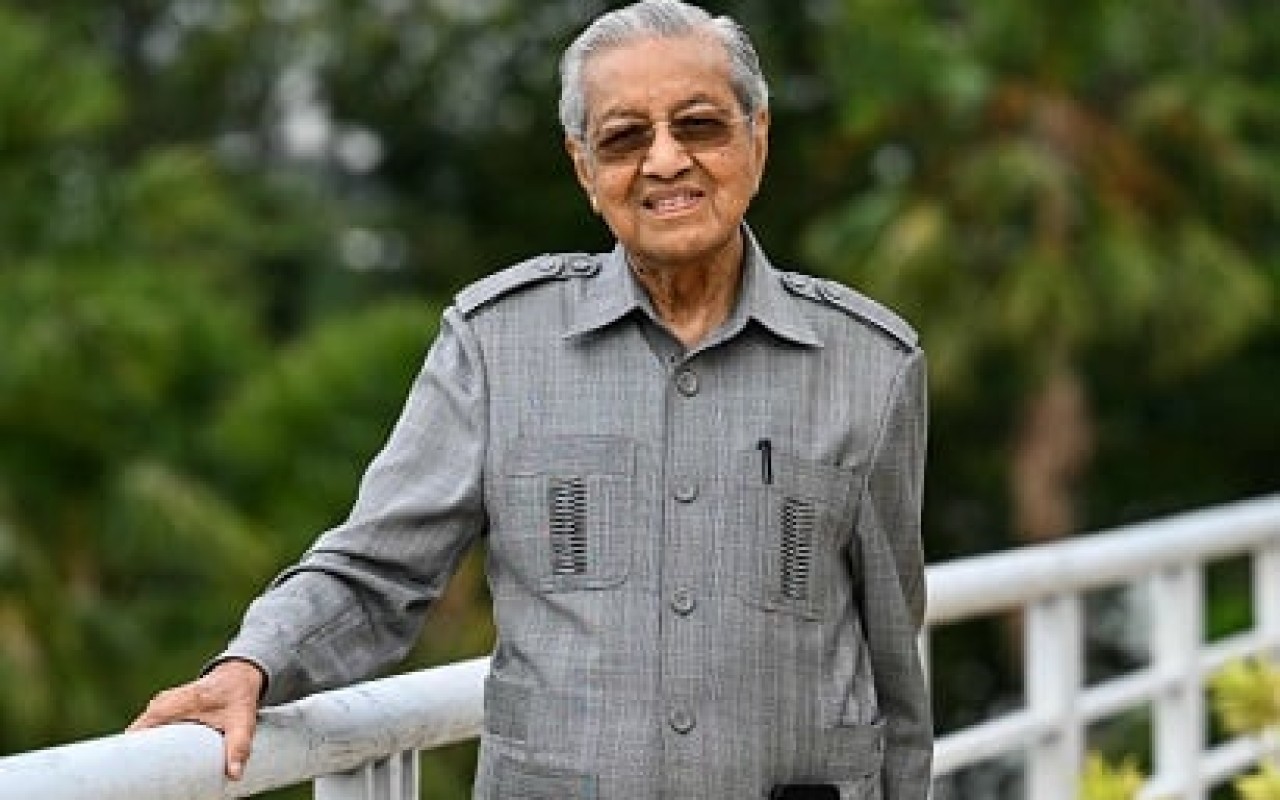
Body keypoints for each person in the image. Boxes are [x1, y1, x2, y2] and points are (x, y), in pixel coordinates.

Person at [130, 1, 933, 797]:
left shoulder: (872, 364)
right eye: (624, 138)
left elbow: (895, 666)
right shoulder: (495, 345)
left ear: (757, 139)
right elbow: (376, 568)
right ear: (585, 169)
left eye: (698, 125)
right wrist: (253, 663)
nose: (665, 161)